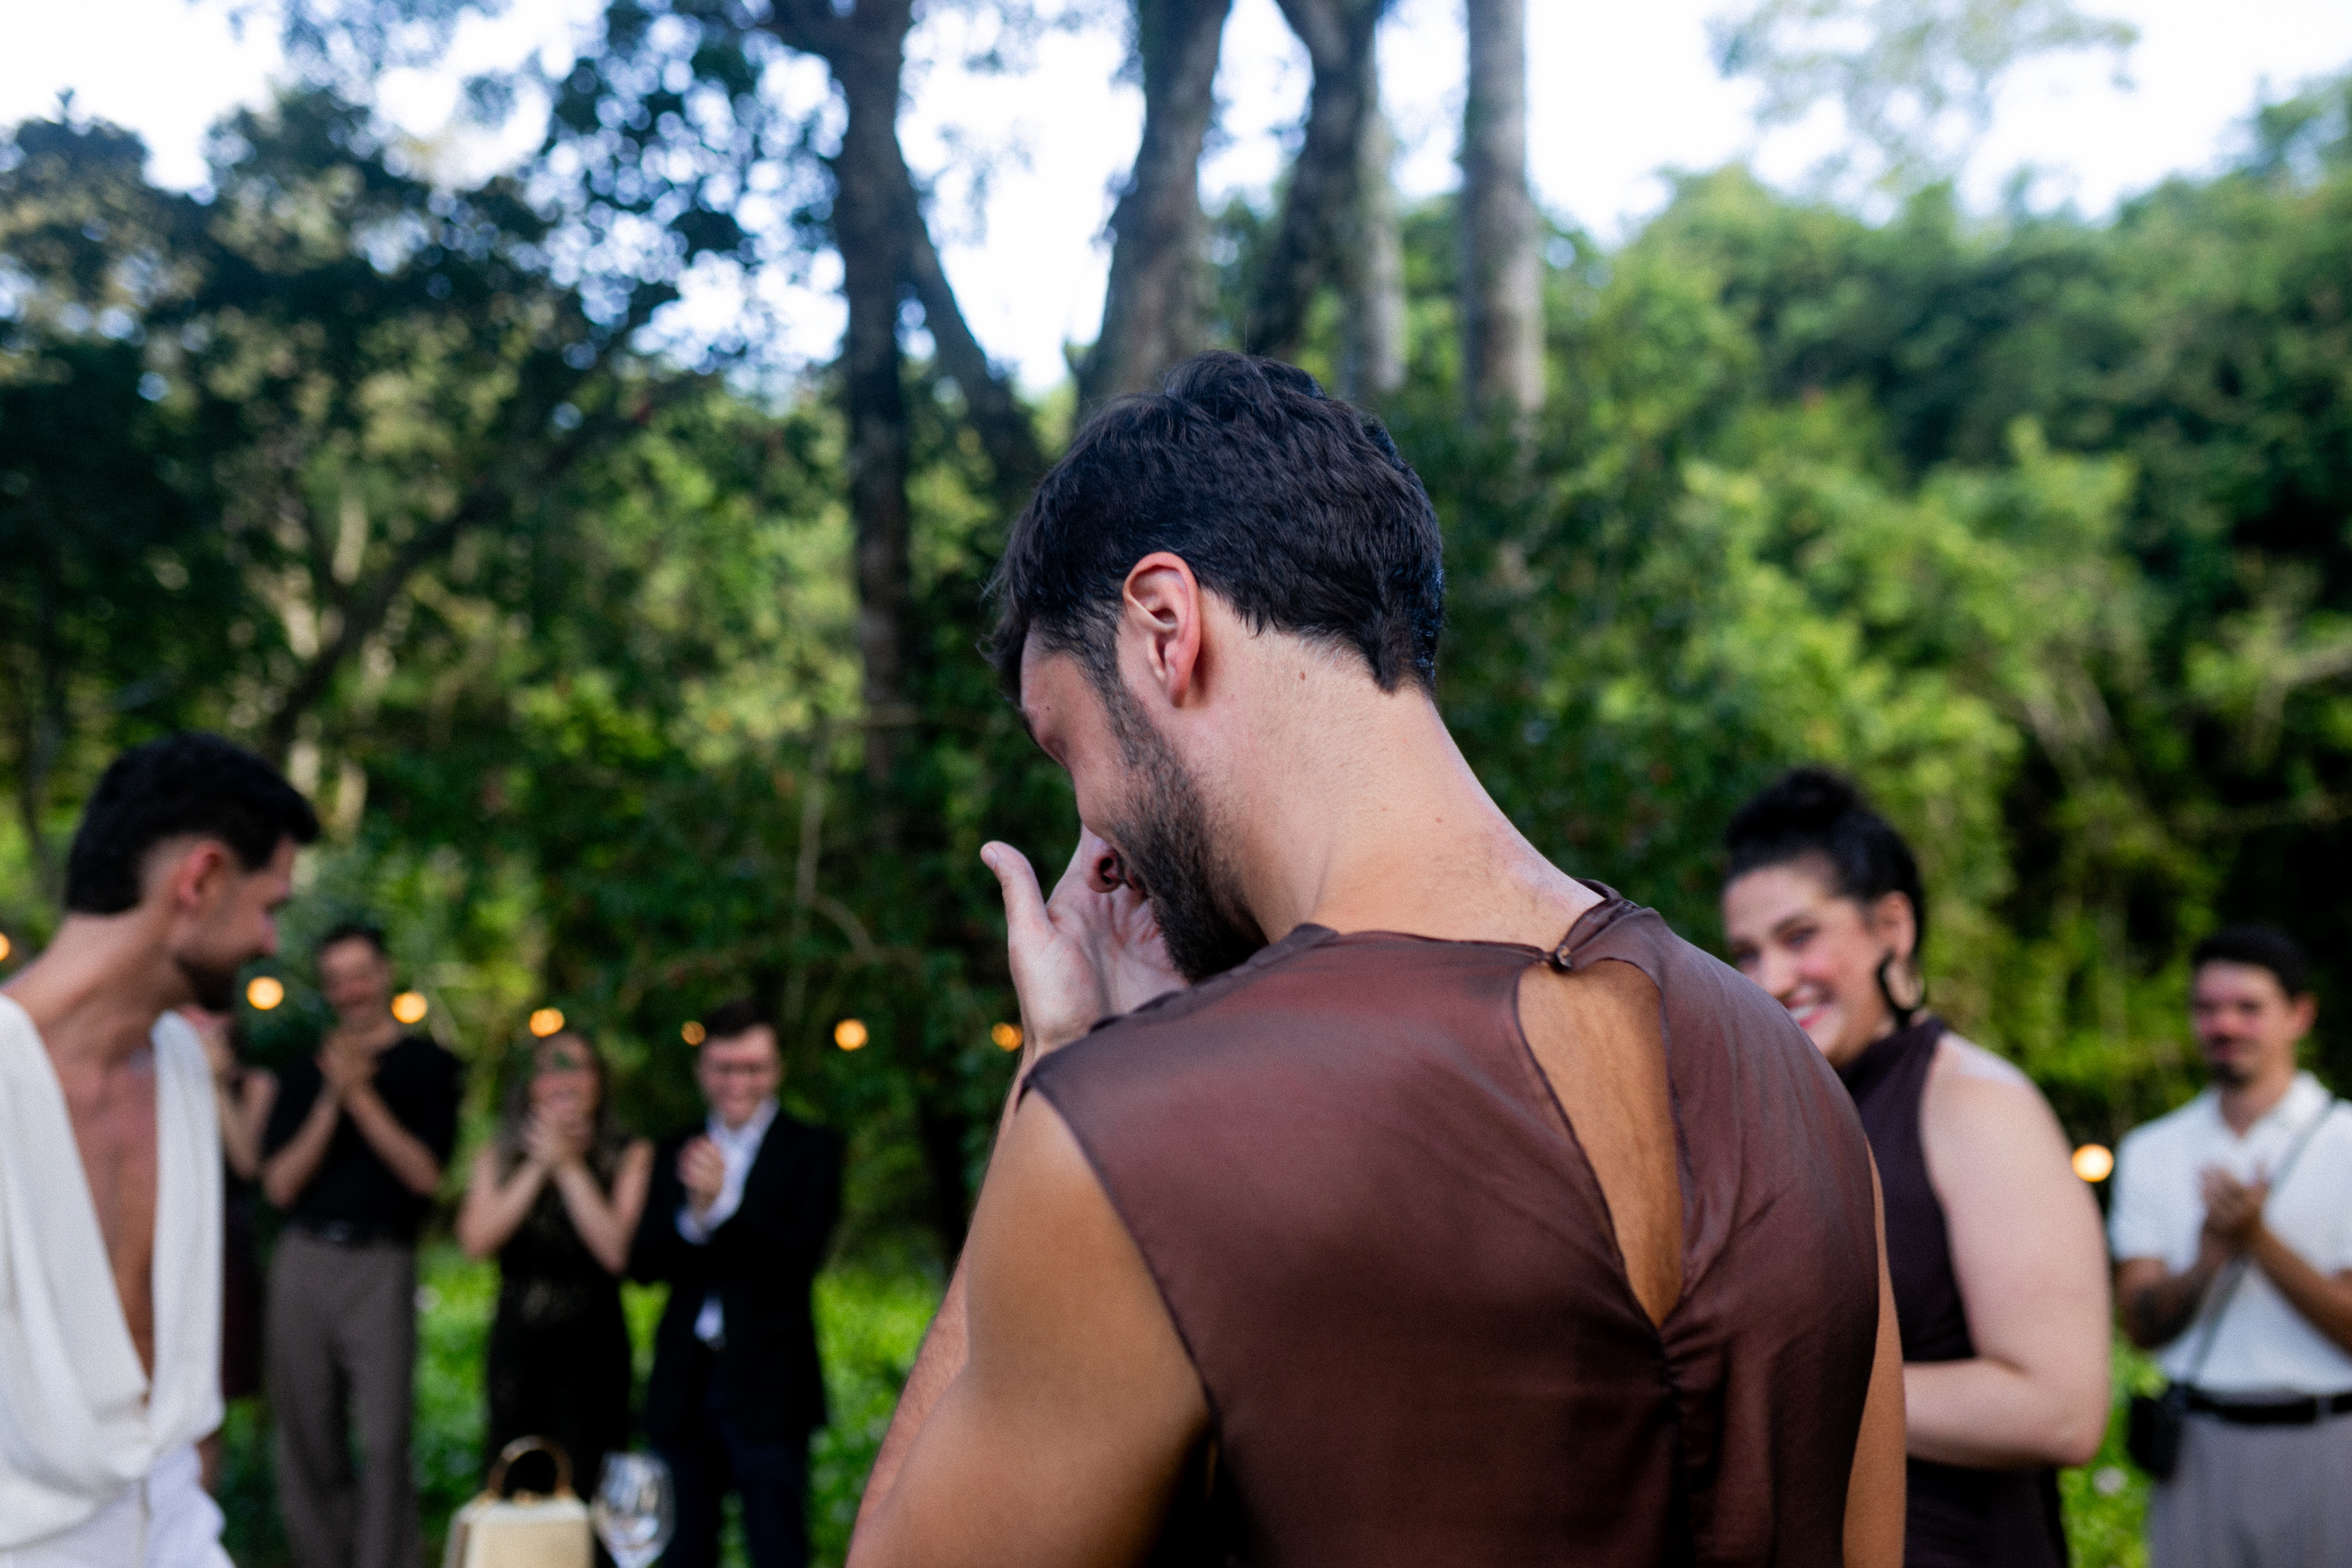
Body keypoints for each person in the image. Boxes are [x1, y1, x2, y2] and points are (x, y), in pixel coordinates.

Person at [846, 352, 1907, 1567]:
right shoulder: (1796, 1081)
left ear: (1163, 626)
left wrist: (1058, 1063)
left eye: (1065, 746)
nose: (1093, 830)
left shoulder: (1135, 1134)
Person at [1720, 769, 2110, 1567]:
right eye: (1747, 953)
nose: (1771, 981)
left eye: (1800, 936)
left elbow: (2061, 1411)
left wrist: (1778, 1387)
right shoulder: (1791, 1110)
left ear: (1891, 926)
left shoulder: (1976, 1102)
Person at [0, 732, 317, 1567]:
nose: (270, 942)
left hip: (178, 1536)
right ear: (201, 879)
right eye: (270, 905)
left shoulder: (180, 1061)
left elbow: (178, 1377)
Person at [2111, 925, 2352, 1567]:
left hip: (2328, 1443)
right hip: (2197, 1447)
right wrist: (2210, 1259)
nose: (2224, 1025)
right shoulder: (2152, 1149)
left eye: (2248, 1007)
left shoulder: (2345, 1142)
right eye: (2207, 1008)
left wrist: (2257, 1242)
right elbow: (2141, 1325)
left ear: (2299, 1015)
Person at [259, 921, 463, 1568]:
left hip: (382, 1263)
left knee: (385, 1439)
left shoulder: (429, 1067)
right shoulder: (302, 1074)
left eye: (360, 974)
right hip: (305, 1260)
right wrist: (331, 1098)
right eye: (337, 980)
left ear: (384, 974)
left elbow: (425, 1176)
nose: (350, 990)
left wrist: (361, 1094)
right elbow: (279, 1185)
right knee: (306, 1435)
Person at [629, 998, 842, 1568]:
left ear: (776, 1070)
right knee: (680, 1551)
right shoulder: (675, 1148)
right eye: (724, 1068)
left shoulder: (812, 1148)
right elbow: (643, 1262)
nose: (737, 1083)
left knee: (776, 1546)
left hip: (771, 1384)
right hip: (684, 1379)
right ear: (702, 1070)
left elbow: (802, 1257)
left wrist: (725, 1207)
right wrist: (694, 1219)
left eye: (752, 1068)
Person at [456, 1027, 654, 1501]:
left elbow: (617, 1252)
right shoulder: (497, 1156)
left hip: (594, 1347)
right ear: (529, 1086)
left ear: (599, 1081)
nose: (563, 1082)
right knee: (514, 1480)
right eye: (549, 1070)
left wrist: (568, 1166)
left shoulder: (630, 1154)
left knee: (590, 1482)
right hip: (518, 1347)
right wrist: (539, 1164)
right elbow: (476, 1241)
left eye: (578, 1068)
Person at [186, 1008, 276, 1493]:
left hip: (220, 1248)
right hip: (157, 1242)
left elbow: (246, 1163)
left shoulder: (254, 1084)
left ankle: (197, 1517)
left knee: (208, 1394)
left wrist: (215, 1083)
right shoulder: (148, 1076)